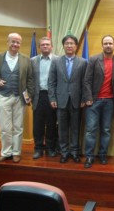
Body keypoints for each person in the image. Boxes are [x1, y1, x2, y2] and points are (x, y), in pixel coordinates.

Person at [0, 33, 34, 163]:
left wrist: (29, 95)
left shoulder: (26, 59)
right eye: (13, 41)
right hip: (3, 96)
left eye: (18, 42)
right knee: (4, 127)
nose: (15, 44)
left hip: (20, 97)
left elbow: (30, 79)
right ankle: (6, 152)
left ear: (20, 44)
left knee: (18, 127)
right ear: (7, 42)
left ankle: (16, 152)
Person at [83, 35, 114, 168]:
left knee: (106, 130)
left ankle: (102, 155)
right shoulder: (94, 59)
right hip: (93, 101)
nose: (108, 45)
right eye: (105, 43)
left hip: (110, 101)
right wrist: (88, 98)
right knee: (91, 130)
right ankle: (89, 156)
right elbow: (87, 80)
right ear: (102, 46)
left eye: (110, 43)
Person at [48, 35, 87, 163]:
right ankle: (64, 152)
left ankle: (75, 152)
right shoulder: (56, 61)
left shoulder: (83, 62)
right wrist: (52, 97)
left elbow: (84, 83)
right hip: (60, 100)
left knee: (75, 128)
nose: (69, 45)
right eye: (67, 43)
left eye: (72, 43)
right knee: (62, 128)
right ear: (63, 46)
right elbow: (51, 81)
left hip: (76, 101)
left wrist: (83, 98)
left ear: (76, 46)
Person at [31, 37, 58, 159]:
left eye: (47, 44)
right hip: (38, 96)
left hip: (53, 96)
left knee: (52, 124)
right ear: (39, 47)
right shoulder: (33, 61)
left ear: (51, 46)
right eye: (43, 45)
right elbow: (29, 79)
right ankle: (38, 149)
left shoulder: (58, 60)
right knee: (38, 125)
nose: (45, 46)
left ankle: (50, 148)